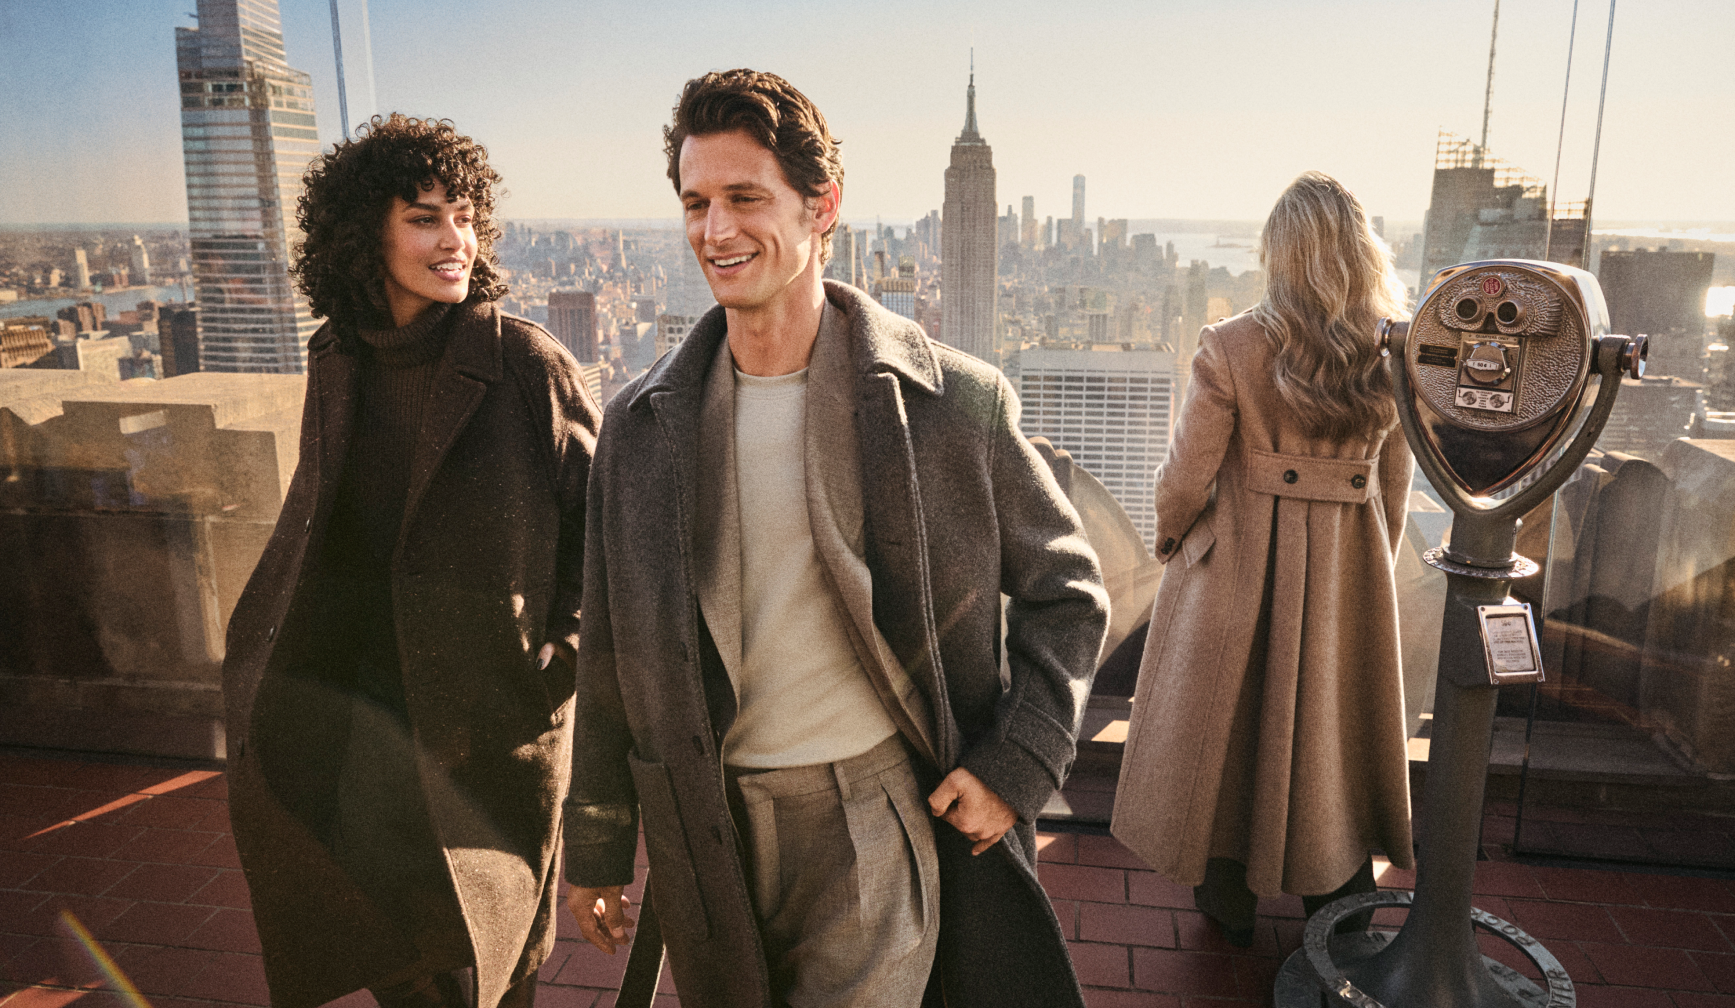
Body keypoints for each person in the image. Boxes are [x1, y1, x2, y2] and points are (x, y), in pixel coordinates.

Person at [560, 69, 1109, 1008]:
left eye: (744, 199)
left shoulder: (953, 403)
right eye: (695, 203)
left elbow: (1068, 592)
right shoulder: (642, 429)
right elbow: (612, 655)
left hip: (872, 815)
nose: (714, 231)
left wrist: (1016, 764)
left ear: (824, 208)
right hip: (707, 829)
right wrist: (601, 844)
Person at [222, 115, 600, 1008]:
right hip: (361, 707)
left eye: (463, 215)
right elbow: (320, 513)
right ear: (367, 237)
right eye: (425, 218)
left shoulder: (523, 363)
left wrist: (570, 645)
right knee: (387, 940)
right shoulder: (337, 356)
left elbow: (604, 524)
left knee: (493, 953)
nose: (455, 239)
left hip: (484, 710)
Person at [1110, 171, 1415, 947]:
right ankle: (1338, 901)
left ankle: (1227, 900)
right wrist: (1371, 558)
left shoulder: (1232, 344)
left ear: (1276, 255)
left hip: (1239, 567)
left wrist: (1175, 540)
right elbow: (1395, 481)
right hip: (1349, 568)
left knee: (1230, 728)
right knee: (1332, 728)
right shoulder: (1396, 347)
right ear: (1360, 250)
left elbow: (1186, 475)